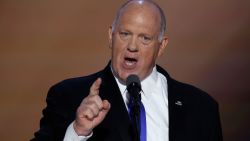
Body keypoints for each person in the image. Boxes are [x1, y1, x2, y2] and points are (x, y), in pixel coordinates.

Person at [31, 0, 223, 141]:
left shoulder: (201, 108)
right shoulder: (69, 96)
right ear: (111, 36)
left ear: (162, 46)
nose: (132, 46)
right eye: (125, 34)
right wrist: (77, 132)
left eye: (145, 38)